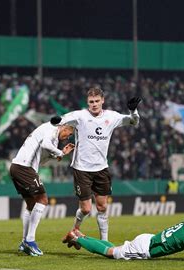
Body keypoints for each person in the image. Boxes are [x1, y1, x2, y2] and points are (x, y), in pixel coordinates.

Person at [53, 87, 141, 241]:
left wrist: (133, 111)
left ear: (103, 101)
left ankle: (104, 242)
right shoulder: (80, 115)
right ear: (87, 103)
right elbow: (61, 119)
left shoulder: (111, 116)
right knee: (86, 209)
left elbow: (133, 121)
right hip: (82, 168)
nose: (94, 104)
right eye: (91, 102)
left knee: (102, 207)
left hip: (101, 168)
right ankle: (75, 229)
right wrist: (57, 121)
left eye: (97, 101)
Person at [10, 122, 75, 256]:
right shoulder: (51, 129)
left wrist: (60, 153)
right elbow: (46, 144)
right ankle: (30, 240)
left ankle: (24, 242)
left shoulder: (52, 137)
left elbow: (42, 158)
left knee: (31, 204)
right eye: (69, 134)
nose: (68, 137)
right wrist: (59, 152)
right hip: (24, 167)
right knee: (43, 199)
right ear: (64, 127)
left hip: (17, 167)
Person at [62, 210, 184, 261]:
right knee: (110, 253)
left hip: (148, 239)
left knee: (114, 248)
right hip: (144, 248)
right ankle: (76, 237)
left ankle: (79, 235)